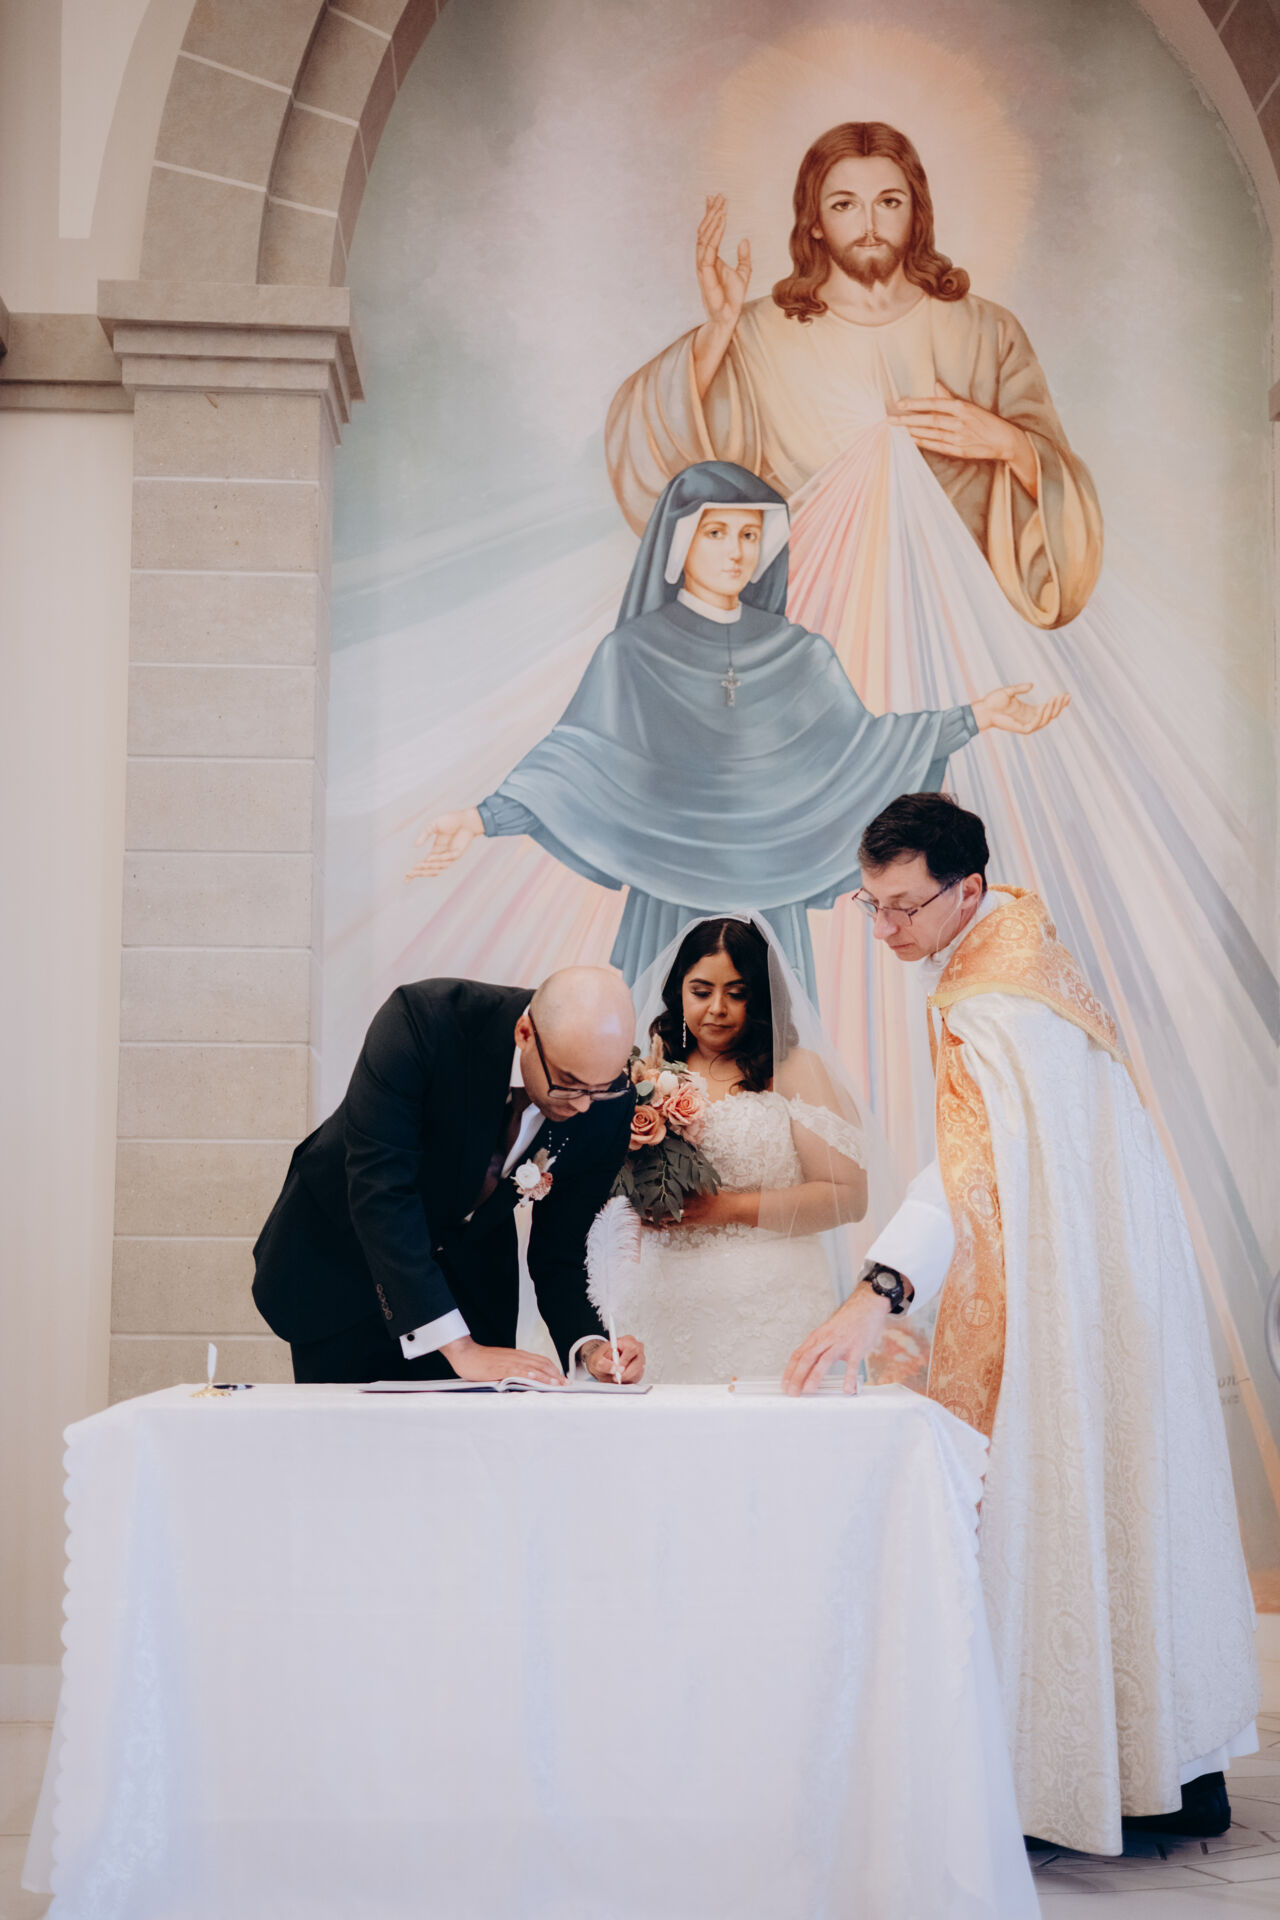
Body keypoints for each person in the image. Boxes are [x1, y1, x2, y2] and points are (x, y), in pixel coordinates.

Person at [783, 793, 1260, 1856]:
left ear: (964, 890)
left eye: (902, 907)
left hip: (1066, 1298)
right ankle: (1169, 1775)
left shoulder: (995, 1002)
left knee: (1056, 1494)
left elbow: (973, 1172)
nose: (884, 929)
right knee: (1127, 1497)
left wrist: (879, 1289)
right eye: (868, 905)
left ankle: (1063, 1783)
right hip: (1107, 1284)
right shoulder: (1020, 954)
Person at [408, 460, 1066, 992]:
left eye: (749, 535)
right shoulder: (633, 652)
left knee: (774, 1072)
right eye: (717, 533)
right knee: (659, 1072)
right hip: (669, 890)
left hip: (770, 894)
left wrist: (974, 717)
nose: (736, 551)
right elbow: (578, 760)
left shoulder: (800, 654)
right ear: (680, 541)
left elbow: (861, 750)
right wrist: (479, 818)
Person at [607, 120, 1102, 630]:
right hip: (808, 620)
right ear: (815, 222)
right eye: (844, 204)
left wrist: (1007, 444)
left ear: (916, 212)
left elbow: (1067, 503)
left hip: (950, 619)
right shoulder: (755, 333)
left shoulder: (988, 330)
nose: (869, 224)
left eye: (889, 202)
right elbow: (658, 463)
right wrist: (717, 331)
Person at [252, 967, 646, 1386]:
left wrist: (591, 1347)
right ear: (525, 1033)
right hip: (346, 1264)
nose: (583, 1106)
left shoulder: (608, 1106)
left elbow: (562, 1247)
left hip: (471, 1281)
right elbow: (379, 1187)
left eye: (601, 1087)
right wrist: (457, 1347)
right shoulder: (424, 1021)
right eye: (568, 1084)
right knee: (349, 1424)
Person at [606, 914, 872, 1383]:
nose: (718, 1009)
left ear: (760, 996)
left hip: (766, 1306)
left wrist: (726, 1208)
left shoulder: (795, 1069)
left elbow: (848, 1197)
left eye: (737, 993)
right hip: (657, 1303)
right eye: (701, 991)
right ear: (679, 991)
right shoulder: (648, 1070)